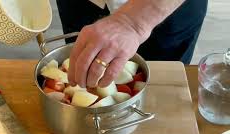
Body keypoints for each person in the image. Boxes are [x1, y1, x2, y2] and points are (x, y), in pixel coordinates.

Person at [56, 0, 208, 88]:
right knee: (83, 73)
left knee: (162, 88)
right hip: (80, 4)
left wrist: (133, 22)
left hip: (164, 8)